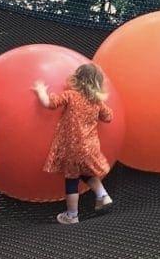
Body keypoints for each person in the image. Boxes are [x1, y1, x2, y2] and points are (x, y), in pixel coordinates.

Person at [33, 63, 115, 225]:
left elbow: (49, 104)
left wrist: (41, 91)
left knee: (71, 180)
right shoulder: (96, 102)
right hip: (90, 148)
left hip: (71, 148)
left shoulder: (70, 95)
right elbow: (109, 117)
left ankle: (72, 215)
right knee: (86, 173)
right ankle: (102, 195)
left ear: (76, 79)